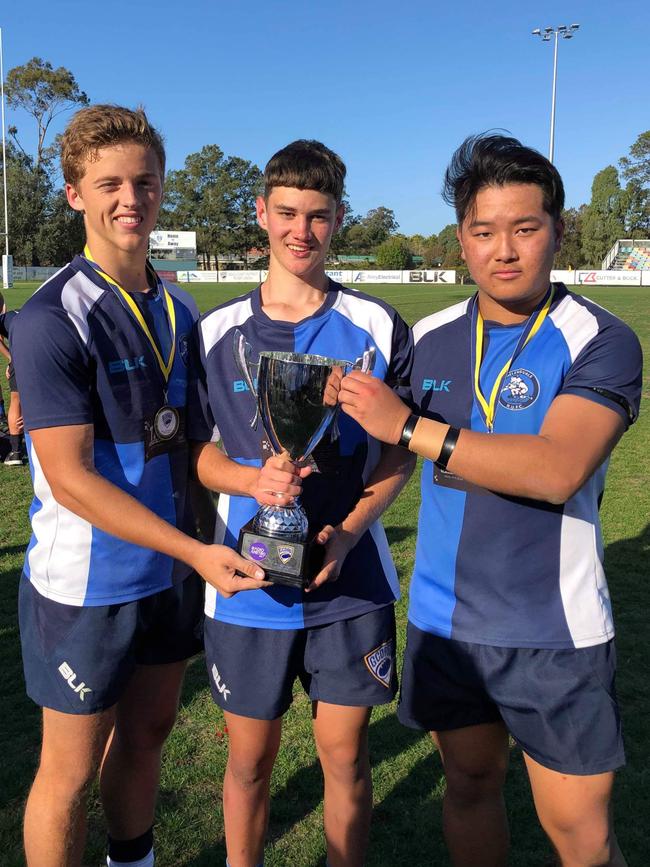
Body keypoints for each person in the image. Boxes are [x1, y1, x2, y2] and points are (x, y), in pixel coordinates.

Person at [338, 134, 642, 867]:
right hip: (447, 624)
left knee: (581, 832)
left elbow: (557, 468)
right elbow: (383, 453)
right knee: (469, 786)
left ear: (558, 232)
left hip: (554, 631)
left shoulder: (600, 338)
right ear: (462, 241)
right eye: (484, 231)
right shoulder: (432, 337)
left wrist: (411, 426)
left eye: (525, 227)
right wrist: (342, 526)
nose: (504, 249)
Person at [10, 104, 269, 867]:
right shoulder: (51, 316)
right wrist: (193, 550)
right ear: (74, 195)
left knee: (149, 732)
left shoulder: (180, 306)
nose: (132, 198)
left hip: (170, 569)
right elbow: (71, 477)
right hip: (86, 583)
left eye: (145, 181)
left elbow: (193, 443)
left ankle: (135, 858)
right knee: (67, 771)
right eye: (110, 183)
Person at [189, 139, 415, 867]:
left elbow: (397, 448)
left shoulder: (377, 327)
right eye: (286, 212)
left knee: (345, 758)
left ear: (339, 218)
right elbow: (197, 453)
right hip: (248, 581)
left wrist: (350, 531)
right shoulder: (216, 332)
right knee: (249, 760)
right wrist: (250, 481)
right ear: (261, 213)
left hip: (349, 580)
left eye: (318, 216)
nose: (301, 231)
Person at [0, 293, 24, 463]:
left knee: (16, 399)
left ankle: (15, 452)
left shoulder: (5, 319)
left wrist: (11, 358)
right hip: (51, 347)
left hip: (23, 350)